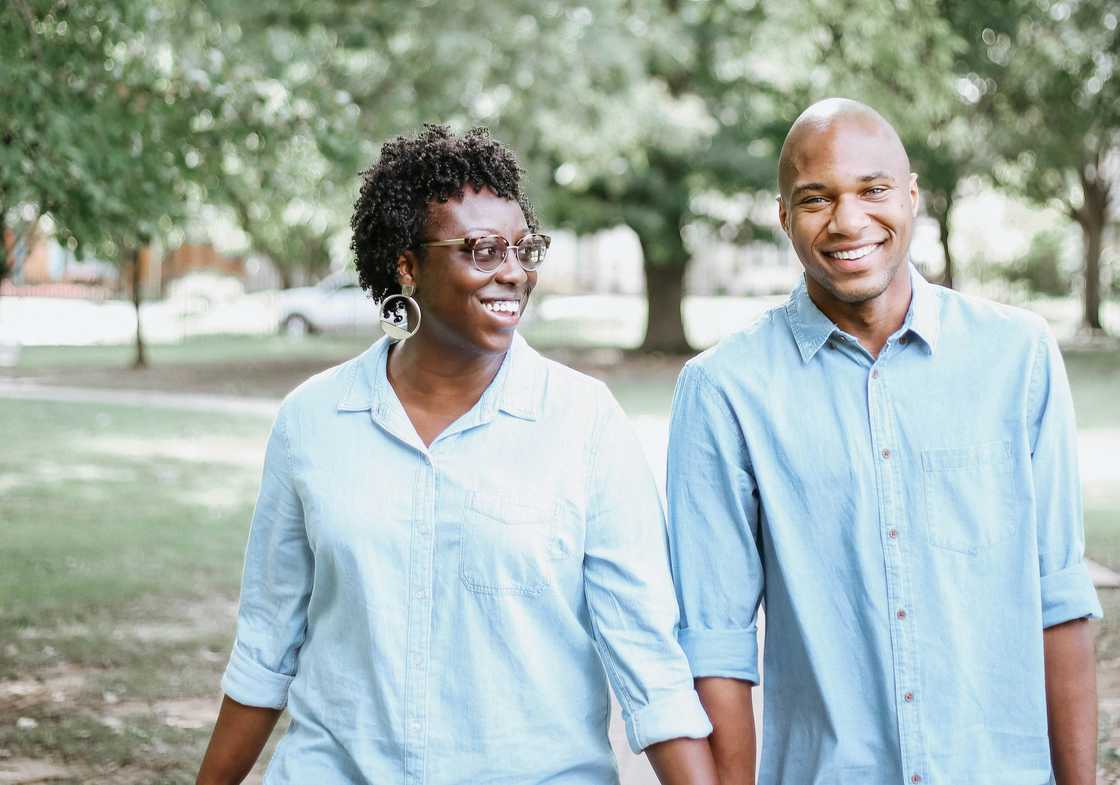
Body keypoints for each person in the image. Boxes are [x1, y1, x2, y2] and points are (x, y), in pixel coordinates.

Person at [196, 125, 717, 785]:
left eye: (523, 248)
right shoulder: (312, 422)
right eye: (481, 249)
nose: (513, 270)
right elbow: (266, 648)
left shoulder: (585, 423)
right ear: (407, 266)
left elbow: (650, 663)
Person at [665, 98, 1101, 785]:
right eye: (816, 198)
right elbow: (715, 643)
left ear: (912, 197)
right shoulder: (724, 389)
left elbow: (1060, 600)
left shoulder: (1018, 356)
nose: (848, 220)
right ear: (784, 217)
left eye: (873, 190)